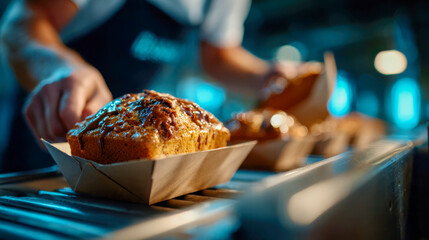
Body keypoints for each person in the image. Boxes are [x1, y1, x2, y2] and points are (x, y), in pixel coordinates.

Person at [0, 0, 312, 171]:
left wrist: (270, 76)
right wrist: (59, 68)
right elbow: (22, 22)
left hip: (142, 144)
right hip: (57, 119)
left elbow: (219, 55)